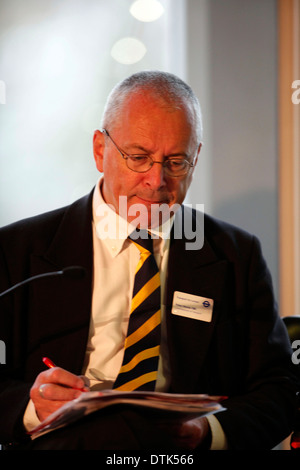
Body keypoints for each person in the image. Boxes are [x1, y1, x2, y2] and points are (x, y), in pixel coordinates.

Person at [0, 70, 298, 451]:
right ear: (99, 150)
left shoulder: (236, 256)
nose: (156, 180)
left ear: (196, 157)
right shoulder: (17, 251)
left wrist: (206, 432)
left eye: (176, 162)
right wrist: (33, 406)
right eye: (138, 158)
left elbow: (277, 389)